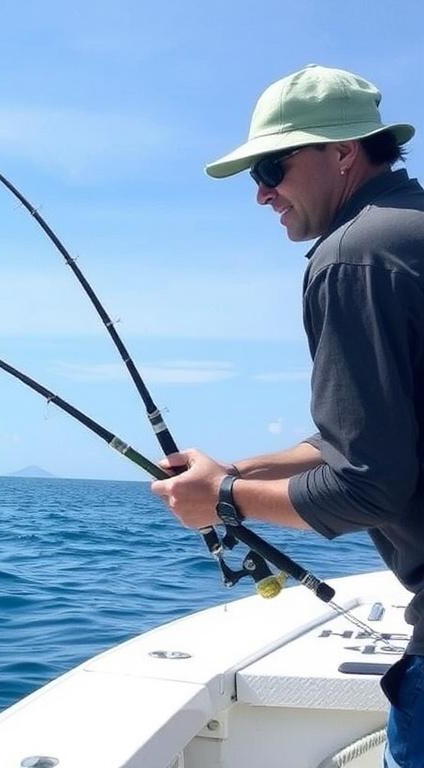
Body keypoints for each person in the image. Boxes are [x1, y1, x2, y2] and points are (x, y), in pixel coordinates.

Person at [149, 64, 424, 767]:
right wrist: (239, 469)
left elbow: (368, 485)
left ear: (343, 153)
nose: (264, 193)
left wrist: (225, 500)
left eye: (273, 165)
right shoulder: (408, 232)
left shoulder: (353, 257)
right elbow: (379, 434)